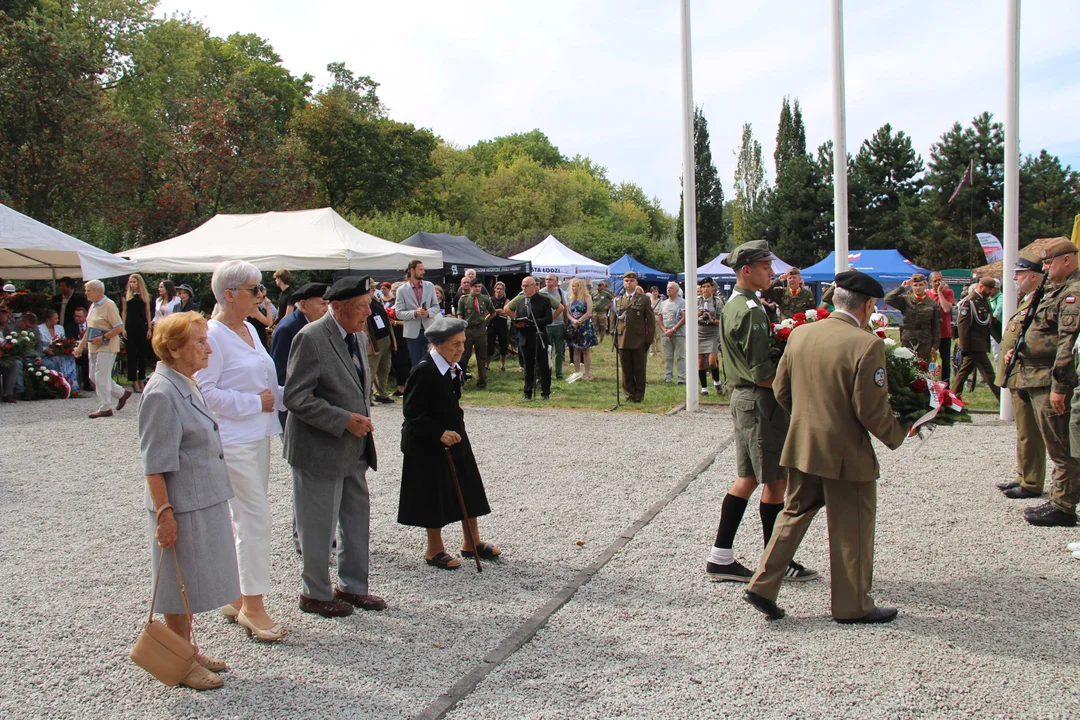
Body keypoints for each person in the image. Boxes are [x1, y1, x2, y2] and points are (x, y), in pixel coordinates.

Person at [742, 270, 909, 624]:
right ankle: (852, 606)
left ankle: (763, 584)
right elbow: (870, 408)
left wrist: (808, 418)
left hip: (803, 443)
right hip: (846, 452)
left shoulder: (801, 334)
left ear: (835, 300)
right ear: (868, 306)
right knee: (853, 527)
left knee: (792, 514)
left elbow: (781, 389)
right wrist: (900, 431)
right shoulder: (867, 344)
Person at [137, 311, 241, 690]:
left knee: (190, 582)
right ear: (174, 349)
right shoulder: (163, 392)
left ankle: (187, 648)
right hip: (181, 504)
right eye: (199, 341)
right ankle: (179, 659)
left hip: (201, 498)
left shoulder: (184, 381)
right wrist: (165, 514)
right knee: (176, 584)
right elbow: (154, 463)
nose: (208, 348)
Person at [706, 241, 817, 582]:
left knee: (750, 477)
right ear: (746, 270)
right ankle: (776, 561)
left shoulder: (740, 303)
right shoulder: (751, 310)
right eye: (766, 266)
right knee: (774, 480)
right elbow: (762, 372)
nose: (773, 272)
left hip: (747, 400)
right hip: (760, 400)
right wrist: (800, 386)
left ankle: (721, 557)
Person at [195, 260, 287, 641]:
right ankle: (253, 604)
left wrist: (297, 397)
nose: (261, 297)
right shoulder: (211, 336)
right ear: (229, 293)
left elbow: (269, 387)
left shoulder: (249, 327)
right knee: (255, 519)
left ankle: (235, 595)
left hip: (258, 435)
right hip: (233, 440)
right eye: (255, 290)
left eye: (262, 289)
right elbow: (205, 392)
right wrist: (256, 403)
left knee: (248, 518)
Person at [283, 275, 385, 618]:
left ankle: (353, 587)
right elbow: (295, 397)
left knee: (356, 520)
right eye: (361, 306)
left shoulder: (355, 334)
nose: (368, 312)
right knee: (317, 526)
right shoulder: (310, 338)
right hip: (319, 450)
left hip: (354, 448)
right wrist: (342, 419)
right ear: (337, 307)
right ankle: (315, 592)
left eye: (368, 303)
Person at [398, 315, 499, 569]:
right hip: (426, 441)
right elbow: (411, 412)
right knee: (434, 494)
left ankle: (471, 543)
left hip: (455, 436)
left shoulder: (452, 366)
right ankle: (434, 550)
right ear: (438, 344)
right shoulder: (424, 370)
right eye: (455, 344)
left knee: (469, 486)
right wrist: (437, 432)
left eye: (463, 343)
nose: (461, 349)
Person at [1007, 237, 1080, 527]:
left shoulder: (1072, 293)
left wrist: (1060, 388)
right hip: (1035, 374)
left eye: (1050, 262)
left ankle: (1063, 506)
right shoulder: (1056, 290)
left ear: (1067, 260)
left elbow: (1067, 343)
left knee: (1061, 446)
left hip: (1051, 379)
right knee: (1055, 442)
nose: (1046, 268)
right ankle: (1062, 498)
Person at [996, 251, 1048, 500]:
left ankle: (1031, 481)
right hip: (1018, 371)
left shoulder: (1040, 300)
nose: (1015, 278)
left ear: (1034, 276)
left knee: (1030, 431)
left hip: (1027, 371)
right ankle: (1023, 474)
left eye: (1020, 274)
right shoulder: (1028, 299)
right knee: (1023, 429)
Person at [269, 282, 328, 426]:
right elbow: (279, 371)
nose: (327, 309)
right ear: (303, 305)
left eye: (328, 303)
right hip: (295, 405)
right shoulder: (288, 328)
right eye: (322, 304)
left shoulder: (315, 324)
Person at [74, 280, 132, 418]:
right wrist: (80, 346)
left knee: (101, 376)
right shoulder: (93, 306)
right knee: (93, 376)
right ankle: (121, 393)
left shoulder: (109, 305)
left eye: (88, 290)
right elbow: (89, 328)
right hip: (93, 346)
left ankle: (106, 407)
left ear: (98, 291)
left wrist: (104, 338)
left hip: (107, 346)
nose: (86, 293)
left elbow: (119, 327)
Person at [951, 277, 1000, 400]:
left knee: (964, 372)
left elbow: (988, 320)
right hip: (973, 345)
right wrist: (964, 346)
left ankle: (952, 396)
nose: (991, 292)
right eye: (989, 289)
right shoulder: (969, 302)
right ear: (982, 286)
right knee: (989, 374)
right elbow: (963, 326)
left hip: (980, 343)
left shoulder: (983, 300)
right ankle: (1002, 400)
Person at [508, 276, 553, 401]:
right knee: (528, 367)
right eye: (523, 286)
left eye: (527, 286)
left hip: (539, 336)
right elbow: (517, 317)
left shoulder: (544, 300)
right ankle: (527, 392)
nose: (524, 288)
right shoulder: (521, 302)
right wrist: (517, 323)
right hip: (525, 337)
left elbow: (548, 319)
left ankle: (545, 392)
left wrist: (532, 321)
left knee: (543, 366)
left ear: (534, 286)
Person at [613, 271, 654, 403]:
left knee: (639, 368)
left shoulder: (643, 299)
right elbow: (613, 321)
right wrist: (614, 338)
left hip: (638, 339)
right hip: (622, 338)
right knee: (626, 368)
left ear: (636, 282)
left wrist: (649, 339)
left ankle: (639, 395)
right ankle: (629, 394)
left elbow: (650, 321)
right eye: (626, 281)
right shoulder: (618, 300)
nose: (629, 283)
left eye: (631, 281)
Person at [884, 274, 941, 363]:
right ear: (912, 286)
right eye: (915, 285)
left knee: (923, 368)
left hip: (925, 340)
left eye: (921, 285)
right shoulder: (905, 300)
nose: (918, 288)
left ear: (926, 285)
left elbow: (936, 325)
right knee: (907, 366)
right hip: (908, 339)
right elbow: (888, 299)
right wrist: (902, 288)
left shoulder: (932, 303)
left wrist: (935, 345)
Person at [395, 260, 440, 367]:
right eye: (420, 269)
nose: (423, 272)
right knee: (416, 362)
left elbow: (436, 307)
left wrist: (428, 312)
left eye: (423, 269)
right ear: (412, 270)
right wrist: (414, 313)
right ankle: (418, 383)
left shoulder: (429, 286)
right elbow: (398, 313)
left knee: (431, 361)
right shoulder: (401, 290)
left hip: (428, 330)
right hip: (412, 333)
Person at [457, 279, 495, 389]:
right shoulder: (464, 300)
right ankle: (460, 381)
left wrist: (485, 320)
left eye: (479, 286)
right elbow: (460, 315)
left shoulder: (485, 299)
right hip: (468, 330)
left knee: (481, 357)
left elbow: (493, 312)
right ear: (471, 287)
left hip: (480, 330)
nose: (477, 288)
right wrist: (461, 328)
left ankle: (482, 382)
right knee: (464, 356)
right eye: (475, 286)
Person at [122, 274, 154, 393]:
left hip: (142, 326)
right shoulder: (126, 295)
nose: (132, 284)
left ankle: (141, 379)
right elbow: (124, 311)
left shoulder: (144, 296)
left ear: (139, 283)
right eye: (130, 282)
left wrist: (149, 328)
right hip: (130, 326)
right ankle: (133, 381)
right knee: (132, 355)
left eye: (134, 282)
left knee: (142, 355)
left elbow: (147, 312)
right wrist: (123, 328)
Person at [366, 285, 396, 404]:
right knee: (371, 370)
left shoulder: (376, 300)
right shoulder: (363, 302)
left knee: (384, 368)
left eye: (374, 287)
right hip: (373, 341)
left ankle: (381, 394)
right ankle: (367, 396)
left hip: (385, 338)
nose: (374, 289)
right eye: (371, 288)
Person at [38, 308, 79, 393]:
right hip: (46, 354)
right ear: (48, 319)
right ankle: (61, 384)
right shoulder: (39, 329)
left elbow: (63, 341)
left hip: (58, 352)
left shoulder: (60, 328)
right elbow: (38, 345)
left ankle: (72, 384)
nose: (58, 320)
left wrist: (64, 348)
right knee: (60, 360)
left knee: (70, 357)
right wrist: (46, 350)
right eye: (55, 318)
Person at [927, 272, 956, 384]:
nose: (937, 283)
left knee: (945, 361)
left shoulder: (948, 292)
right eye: (935, 281)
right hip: (930, 333)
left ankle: (945, 384)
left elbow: (946, 309)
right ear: (930, 283)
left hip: (944, 333)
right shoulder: (927, 295)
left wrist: (940, 292)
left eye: (940, 280)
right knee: (929, 360)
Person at [696, 278, 723, 395]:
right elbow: (688, 317)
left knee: (712, 361)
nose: (705, 289)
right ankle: (704, 388)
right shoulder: (697, 301)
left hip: (712, 331)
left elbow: (721, 319)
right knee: (701, 362)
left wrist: (712, 320)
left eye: (708, 286)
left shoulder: (717, 301)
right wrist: (698, 314)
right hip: (699, 330)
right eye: (703, 287)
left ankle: (717, 382)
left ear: (712, 288)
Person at [567, 278, 598, 380]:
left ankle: (587, 373)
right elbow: (567, 312)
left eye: (575, 286)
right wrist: (573, 320)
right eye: (572, 286)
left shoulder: (587, 297)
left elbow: (589, 312)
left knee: (586, 350)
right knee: (575, 349)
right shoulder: (571, 298)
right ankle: (577, 372)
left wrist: (579, 320)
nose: (573, 288)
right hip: (574, 326)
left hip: (585, 326)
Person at [540, 274, 568, 380]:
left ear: (556, 282)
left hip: (559, 325)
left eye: (550, 279)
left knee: (559, 350)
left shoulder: (560, 292)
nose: (548, 281)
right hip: (546, 326)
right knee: (547, 350)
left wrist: (566, 322)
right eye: (546, 279)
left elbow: (564, 308)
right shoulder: (541, 292)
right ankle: (547, 371)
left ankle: (559, 373)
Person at [658, 280, 686, 384]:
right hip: (666, 333)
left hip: (678, 333)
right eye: (668, 288)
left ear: (677, 290)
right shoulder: (663, 303)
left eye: (671, 288)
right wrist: (664, 330)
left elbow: (684, 318)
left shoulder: (682, 302)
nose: (668, 289)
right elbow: (659, 318)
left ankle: (681, 378)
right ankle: (668, 377)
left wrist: (673, 329)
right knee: (668, 357)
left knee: (680, 356)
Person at [52, 276, 89, 341]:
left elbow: (86, 313)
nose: (61, 288)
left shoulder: (80, 299)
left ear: (69, 287)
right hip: (58, 327)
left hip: (73, 328)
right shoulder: (56, 299)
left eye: (63, 286)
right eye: (60, 286)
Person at [487, 281, 511, 373]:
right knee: (489, 346)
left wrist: (494, 311)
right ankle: (487, 365)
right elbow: (487, 312)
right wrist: (498, 310)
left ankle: (502, 365)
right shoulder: (490, 299)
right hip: (491, 325)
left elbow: (506, 313)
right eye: (497, 288)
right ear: (494, 289)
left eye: (501, 289)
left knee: (503, 346)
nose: (499, 290)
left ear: (503, 290)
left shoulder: (506, 300)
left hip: (502, 325)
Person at [72, 306, 92, 392]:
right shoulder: (71, 326)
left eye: (79, 316)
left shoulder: (90, 325)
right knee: (85, 359)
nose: (76, 318)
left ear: (85, 316)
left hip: (90, 349)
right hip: (77, 352)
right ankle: (86, 383)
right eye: (75, 316)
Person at [648, 286, 662, 356]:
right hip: (651, 320)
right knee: (652, 336)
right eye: (653, 292)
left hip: (658, 321)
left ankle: (658, 351)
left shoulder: (660, 301)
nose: (655, 293)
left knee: (658, 336)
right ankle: (652, 351)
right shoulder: (649, 301)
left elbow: (660, 311)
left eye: (656, 292)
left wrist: (654, 311)